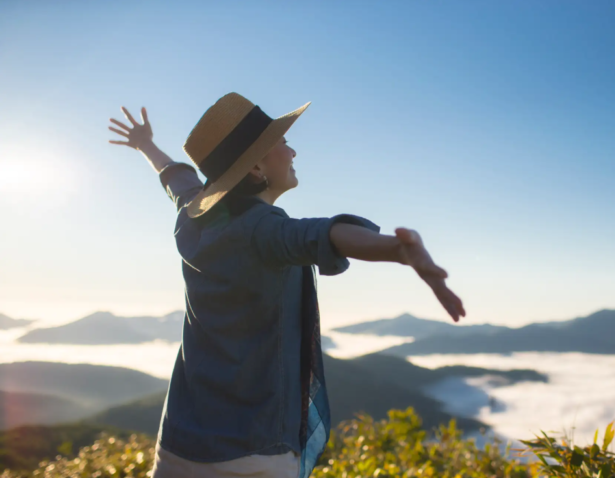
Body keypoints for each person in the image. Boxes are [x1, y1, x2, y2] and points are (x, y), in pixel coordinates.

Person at [108, 93, 465, 478]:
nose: (292, 152)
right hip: (253, 454)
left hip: (179, 443)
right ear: (257, 167)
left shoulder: (194, 216)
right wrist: (397, 249)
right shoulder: (263, 230)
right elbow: (322, 235)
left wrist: (145, 143)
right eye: (282, 143)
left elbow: (176, 176)